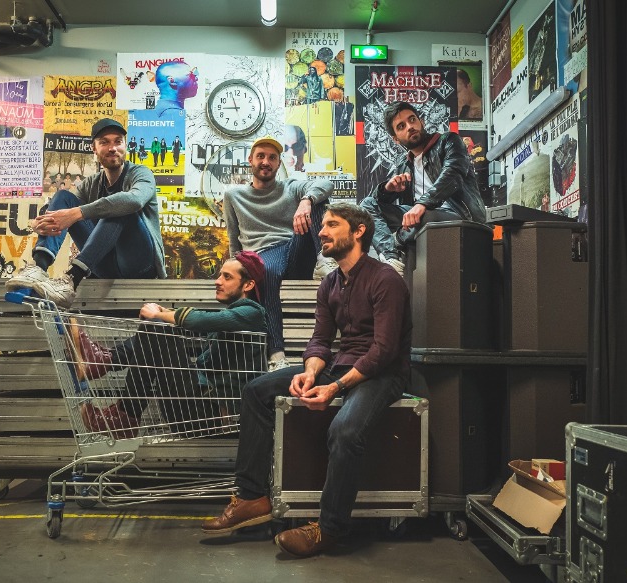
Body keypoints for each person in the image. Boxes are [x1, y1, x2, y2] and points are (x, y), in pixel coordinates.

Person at [203, 202, 412, 558]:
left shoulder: (385, 279)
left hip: (382, 373)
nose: (322, 232)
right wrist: (311, 372)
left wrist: (336, 387)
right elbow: (320, 341)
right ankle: (252, 497)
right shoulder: (330, 282)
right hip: (342, 365)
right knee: (257, 391)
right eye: (323, 225)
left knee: (345, 431)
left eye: (332, 225)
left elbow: (384, 350)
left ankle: (329, 529)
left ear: (358, 231)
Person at [71, 251, 267, 437]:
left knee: (157, 326)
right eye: (220, 275)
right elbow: (194, 323)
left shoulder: (253, 313)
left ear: (248, 285)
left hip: (207, 415)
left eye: (227, 277)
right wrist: (163, 313)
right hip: (192, 406)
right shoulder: (233, 318)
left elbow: (199, 320)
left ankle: (118, 395)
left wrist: (158, 315)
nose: (218, 281)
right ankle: (106, 365)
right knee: (158, 327)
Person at [5, 118, 166, 308]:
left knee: (120, 206)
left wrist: (78, 213)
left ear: (125, 146)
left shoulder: (140, 173)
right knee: (63, 196)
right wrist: (40, 223)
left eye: (118, 141)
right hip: (105, 266)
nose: (112, 148)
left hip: (139, 265)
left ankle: (72, 279)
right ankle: (39, 267)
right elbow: (62, 208)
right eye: (104, 142)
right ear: (94, 149)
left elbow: (134, 200)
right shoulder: (91, 184)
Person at [224, 135, 336, 372]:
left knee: (316, 200)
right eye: (261, 156)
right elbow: (234, 237)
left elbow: (326, 185)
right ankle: (277, 354)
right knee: (266, 271)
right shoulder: (234, 195)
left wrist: (306, 200)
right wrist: (233, 268)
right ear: (250, 160)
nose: (266, 162)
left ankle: (324, 259)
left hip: (295, 249)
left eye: (272, 157)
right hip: (262, 255)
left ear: (278, 163)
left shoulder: (290, 187)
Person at [359, 101, 487, 276]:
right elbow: (379, 204)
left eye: (412, 119)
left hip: (460, 213)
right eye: (401, 126)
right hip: (420, 218)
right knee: (366, 206)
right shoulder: (403, 164)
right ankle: (392, 257)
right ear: (395, 139)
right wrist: (388, 190)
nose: (410, 127)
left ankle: (396, 243)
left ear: (422, 122)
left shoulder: (449, 141)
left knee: (425, 216)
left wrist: (423, 204)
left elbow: (453, 174)